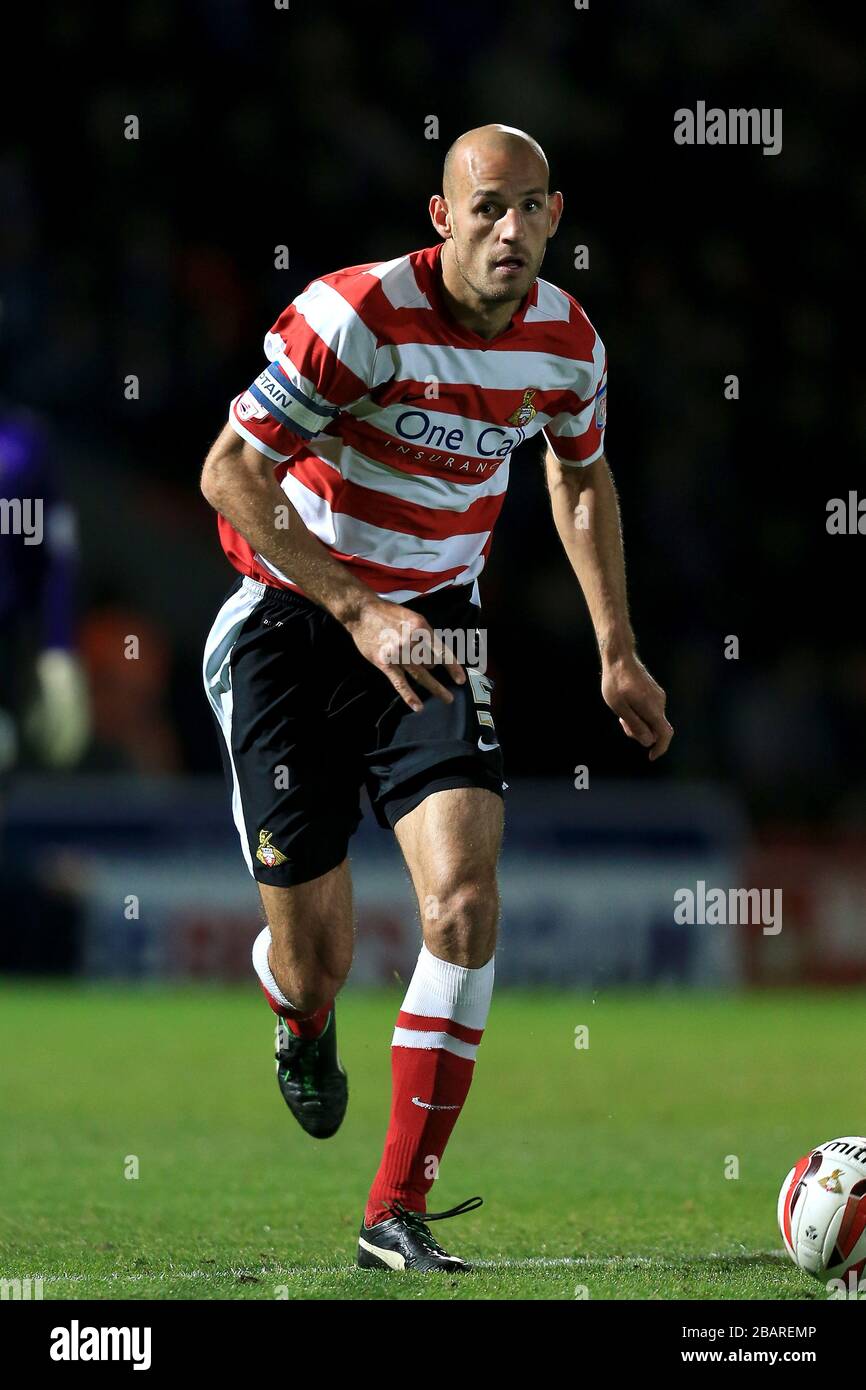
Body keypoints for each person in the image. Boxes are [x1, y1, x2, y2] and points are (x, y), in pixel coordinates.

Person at [200, 123, 673, 1272]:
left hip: (439, 628)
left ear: (555, 217)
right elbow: (229, 472)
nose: (508, 230)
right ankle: (298, 1013)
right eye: (485, 208)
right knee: (318, 959)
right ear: (441, 215)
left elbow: (577, 472)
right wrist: (358, 610)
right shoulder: (352, 317)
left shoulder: (566, 344)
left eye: (528, 209)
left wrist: (615, 645)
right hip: (291, 622)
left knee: (461, 900)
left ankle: (393, 1209)